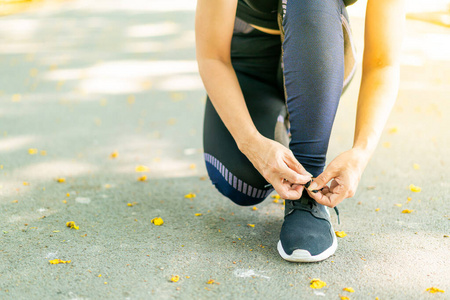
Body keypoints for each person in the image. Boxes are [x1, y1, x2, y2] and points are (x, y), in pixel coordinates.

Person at [195, 0, 405, 262]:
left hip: (320, 48)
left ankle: (308, 187)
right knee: (242, 183)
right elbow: (212, 56)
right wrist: (251, 142)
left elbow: (383, 63)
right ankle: (283, 120)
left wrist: (361, 153)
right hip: (247, 60)